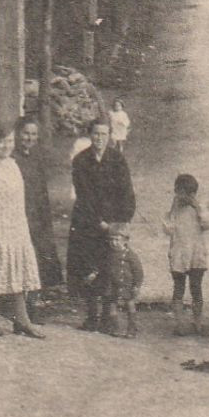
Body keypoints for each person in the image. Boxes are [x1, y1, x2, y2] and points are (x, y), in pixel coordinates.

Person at [0, 123, 45, 339]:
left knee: (17, 270)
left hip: (15, 227)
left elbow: (19, 199)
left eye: (10, 141)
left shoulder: (13, 164)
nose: (6, 146)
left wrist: (22, 228)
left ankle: (21, 320)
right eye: (1, 141)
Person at [69, 118, 135, 330]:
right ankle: (91, 315)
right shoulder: (80, 161)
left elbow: (126, 192)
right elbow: (84, 195)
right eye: (96, 134)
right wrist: (98, 221)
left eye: (104, 134)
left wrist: (120, 221)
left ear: (110, 136)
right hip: (88, 222)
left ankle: (110, 314)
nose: (99, 138)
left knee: (111, 267)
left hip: (113, 221)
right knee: (89, 266)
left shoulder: (117, 159)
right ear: (90, 135)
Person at [13, 116, 63, 317]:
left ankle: (34, 301)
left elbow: (42, 189)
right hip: (19, 214)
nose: (29, 138)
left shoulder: (36, 157)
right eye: (26, 133)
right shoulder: (12, 157)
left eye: (33, 134)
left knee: (39, 256)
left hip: (38, 214)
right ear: (18, 134)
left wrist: (44, 216)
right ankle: (17, 305)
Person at [163, 173, 209, 336]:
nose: (183, 196)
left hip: (196, 253)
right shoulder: (174, 207)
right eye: (179, 192)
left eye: (188, 194)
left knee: (196, 288)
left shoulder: (199, 206)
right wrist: (171, 216)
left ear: (193, 193)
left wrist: (197, 207)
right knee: (178, 288)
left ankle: (198, 322)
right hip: (179, 253)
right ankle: (179, 324)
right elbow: (167, 227)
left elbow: (206, 225)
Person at [102, 225, 144, 337]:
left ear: (125, 240)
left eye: (117, 240)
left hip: (126, 284)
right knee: (112, 304)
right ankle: (116, 327)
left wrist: (136, 285)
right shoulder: (109, 254)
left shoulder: (130, 255)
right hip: (112, 284)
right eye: (111, 239)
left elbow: (138, 272)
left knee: (129, 303)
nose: (113, 243)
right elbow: (105, 267)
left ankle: (131, 329)